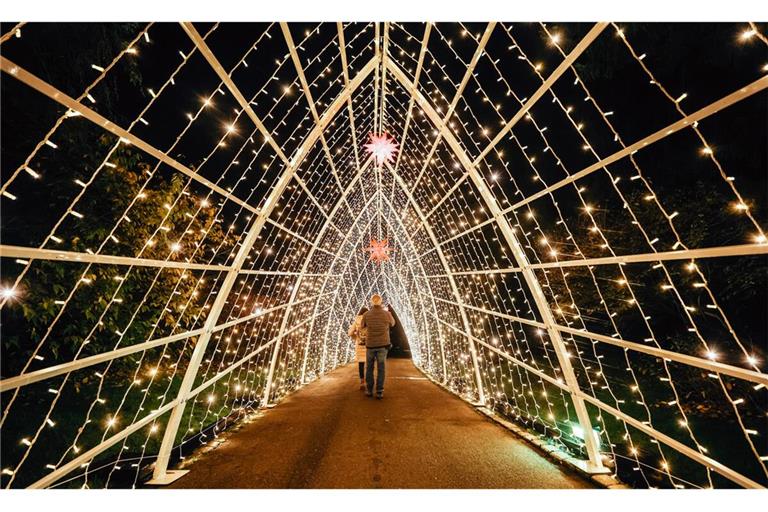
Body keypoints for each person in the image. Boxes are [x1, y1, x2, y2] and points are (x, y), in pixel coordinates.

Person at [361, 294, 395, 399]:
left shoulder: (366, 314)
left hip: (370, 344)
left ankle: (369, 390)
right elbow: (393, 324)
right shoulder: (387, 314)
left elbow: (362, 326)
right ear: (381, 302)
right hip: (383, 345)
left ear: (371, 302)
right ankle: (379, 391)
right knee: (381, 368)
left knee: (369, 368)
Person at [347, 306, 368, 390]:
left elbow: (350, 333)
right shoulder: (369, 319)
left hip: (359, 345)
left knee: (361, 364)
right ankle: (369, 382)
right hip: (369, 345)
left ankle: (362, 382)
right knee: (369, 365)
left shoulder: (356, 320)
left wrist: (355, 338)